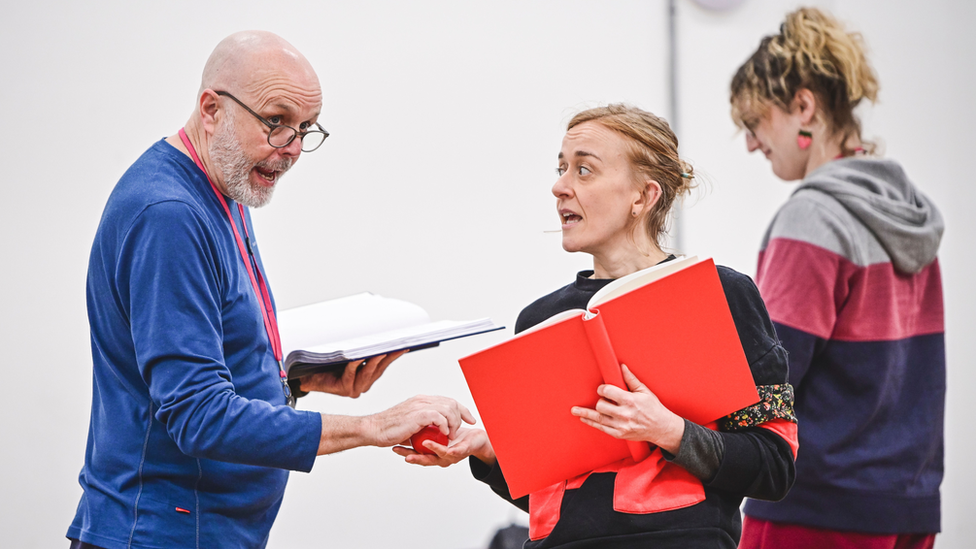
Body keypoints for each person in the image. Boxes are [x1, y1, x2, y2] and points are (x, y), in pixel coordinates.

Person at [67, 31, 473, 549]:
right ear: (211, 109)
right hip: (160, 534)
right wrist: (373, 425)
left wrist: (296, 382)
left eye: (305, 128)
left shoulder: (226, 180)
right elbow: (197, 415)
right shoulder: (170, 216)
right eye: (276, 123)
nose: (294, 149)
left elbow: (207, 360)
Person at [394, 104, 798, 548]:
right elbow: (555, 500)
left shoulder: (722, 295)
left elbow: (774, 466)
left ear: (642, 197)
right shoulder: (539, 321)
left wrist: (667, 429)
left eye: (584, 170)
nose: (559, 186)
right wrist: (486, 450)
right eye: (561, 168)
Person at [729, 7, 945, 549]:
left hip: (816, 508)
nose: (753, 144)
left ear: (803, 106)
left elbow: (768, 379)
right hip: (909, 505)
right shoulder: (908, 210)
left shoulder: (814, 217)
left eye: (755, 123)